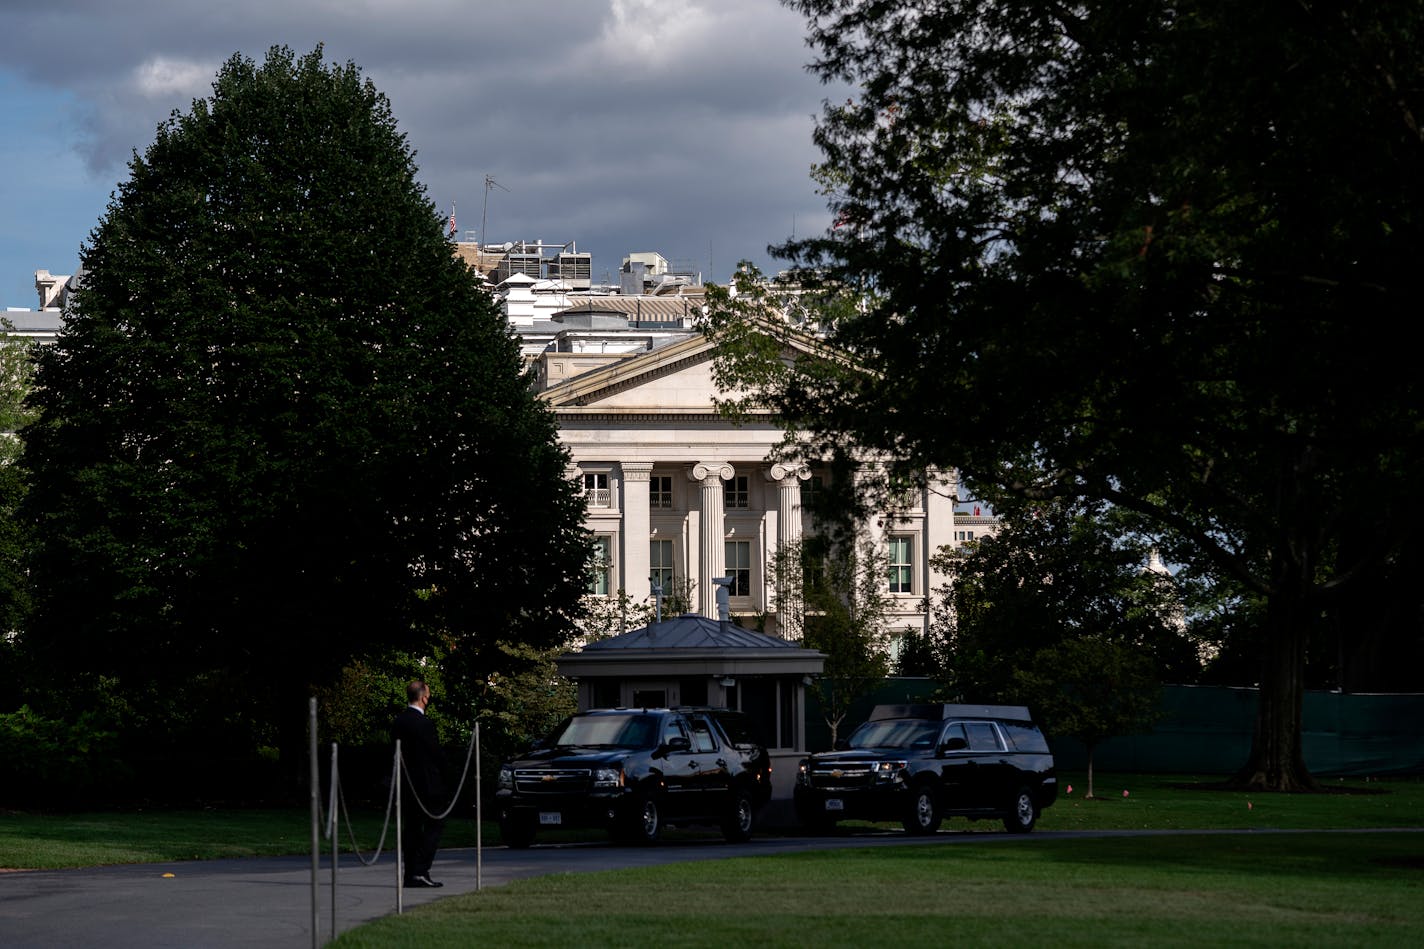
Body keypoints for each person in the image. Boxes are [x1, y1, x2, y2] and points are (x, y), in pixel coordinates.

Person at [391, 679, 448, 888]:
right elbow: (435, 754)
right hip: (427, 784)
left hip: (406, 783)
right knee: (435, 824)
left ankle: (410, 873)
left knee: (412, 828)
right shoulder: (424, 724)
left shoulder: (399, 721)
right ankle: (420, 870)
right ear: (424, 697)